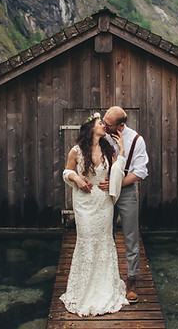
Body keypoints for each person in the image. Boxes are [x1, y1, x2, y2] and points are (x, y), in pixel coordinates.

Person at [60, 112, 129, 317]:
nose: (104, 126)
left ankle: (105, 286)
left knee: (104, 242)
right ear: (91, 128)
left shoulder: (109, 149)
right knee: (87, 242)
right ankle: (83, 290)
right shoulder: (76, 151)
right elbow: (65, 172)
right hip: (85, 204)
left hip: (104, 203)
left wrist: (122, 150)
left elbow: (118, 172)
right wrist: (76, 178)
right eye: (101, 123)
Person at [99, 106, 148, 303]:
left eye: (107, 124)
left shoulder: (137, 140)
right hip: (103, 191)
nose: (103, 125)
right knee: (104, 233)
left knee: (130, 236)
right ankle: (105, 277)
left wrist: (116, 183)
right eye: (102, 121)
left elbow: (140, 172)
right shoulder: (102, 135)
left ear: (121, 125)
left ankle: (131, 279)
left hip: (126, 192)